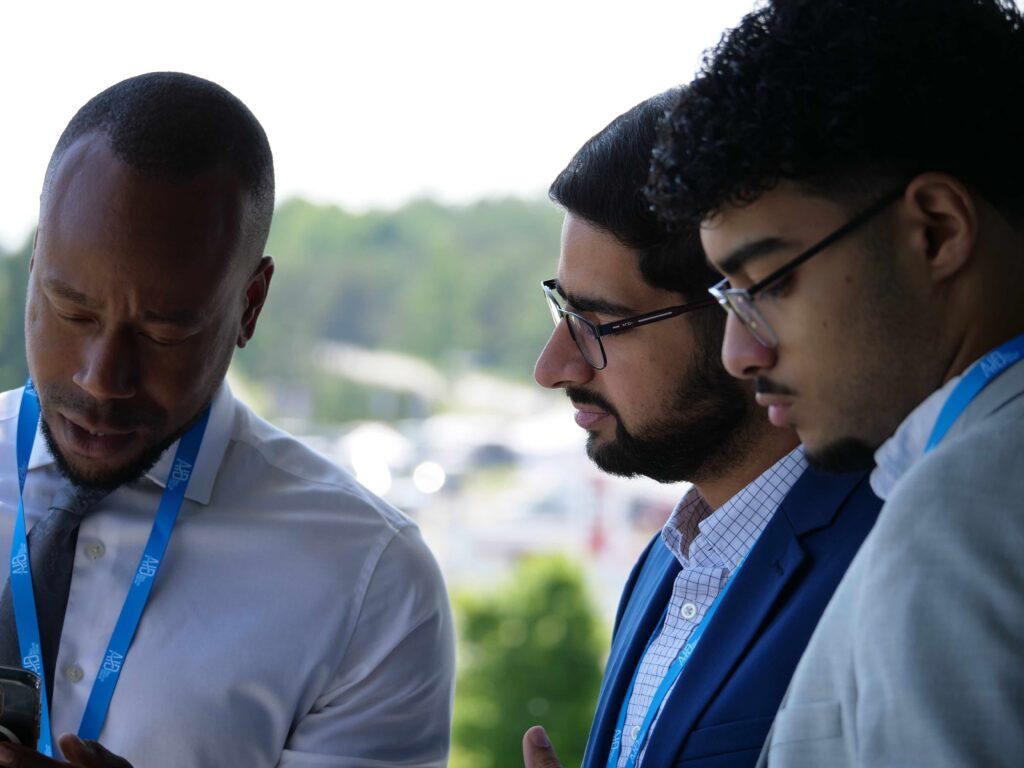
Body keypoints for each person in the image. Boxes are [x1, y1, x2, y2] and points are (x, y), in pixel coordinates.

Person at [0, 72, 454, 767]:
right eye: (73, 312)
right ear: (35, 266)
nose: (102, 378)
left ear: (251, 304)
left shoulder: (370, 585)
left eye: (163, 331)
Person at [647, 1, 1024, 764]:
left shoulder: (968, 505)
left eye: (767, 284)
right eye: (729, 298)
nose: (739, 353)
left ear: (937, 231)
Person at [522, 89, 880, 768]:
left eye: (600, 323)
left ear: (743, 312)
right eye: (561, 311)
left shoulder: (883, 560)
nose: (553, 367)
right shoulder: (671, 557)